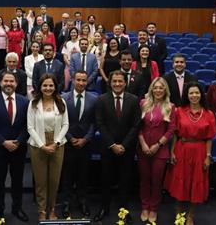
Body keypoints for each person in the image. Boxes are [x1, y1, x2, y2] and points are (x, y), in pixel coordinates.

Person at [164, 82, 216, 225]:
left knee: (195, 184)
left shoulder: (208, 114)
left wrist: (208, 156)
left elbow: (209, 137)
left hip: (199, 151)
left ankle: (190, 215)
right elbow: (175, 134)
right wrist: (172, 152)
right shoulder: (179, 111)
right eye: (191, 93)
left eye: (197, 93)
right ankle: (179, 212)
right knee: (181, 183)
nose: (194, 95)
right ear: (187, 95)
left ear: (201, 94)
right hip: (182, 148)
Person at [93, 70, 141, 222]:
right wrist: (113, 145)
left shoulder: (133, 100)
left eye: (120, 81)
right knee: (105, 179)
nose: (117, 84)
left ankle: (124, 209)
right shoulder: (101, 99)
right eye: (114, 81)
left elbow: (136, 125)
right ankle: (104, 207)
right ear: (110, 83)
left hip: (127, 148)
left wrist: (124, 145)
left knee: (125, 180)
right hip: (108, 147)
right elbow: (100, 124)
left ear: (125, 83)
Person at [0, 71, 30, 223]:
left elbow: (28, 125)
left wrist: (18, 141)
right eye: (6, 81)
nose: (9, 84)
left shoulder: (25, 101)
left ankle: (17, 208)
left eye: (12, 81)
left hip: (19, 149)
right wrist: (3, 142)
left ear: (16, 84)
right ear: (0, 83)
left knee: (18, 181)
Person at [27, 73, 69, 221]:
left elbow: (65, 125)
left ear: (55, 87)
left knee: (54, 180)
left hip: (57, 144)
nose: (48, 88)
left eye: (51, 85)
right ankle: (42, 211)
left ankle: (52, 209)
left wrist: (56, 143)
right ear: (40, 87)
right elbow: (30, 128)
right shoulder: (33, 103)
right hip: (38, 145)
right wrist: (42, 146)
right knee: (41, 181)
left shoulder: (61, 101)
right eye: (45, 85)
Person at [138, 77, 176, 223]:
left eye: (161, 87)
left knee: (156, 180)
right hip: (143, 148)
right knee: (144, 179)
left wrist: (158, 145)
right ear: (151, 89)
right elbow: (138, 126)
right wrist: (143, 144)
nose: (158, 90)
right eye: (155, 87)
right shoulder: (143, 103)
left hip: (160, 150)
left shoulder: (170, 107)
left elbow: (171, 130)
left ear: (165, 89)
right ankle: (144, 206)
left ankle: (153, 208)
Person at [61, 71, 96, 218]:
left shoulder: (94, 99)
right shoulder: (63, 98)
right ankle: (66, 203)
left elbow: (95, 122)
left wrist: (86, 138)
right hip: (68, 143)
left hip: (85, 144)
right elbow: (60, 120)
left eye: (84, 80)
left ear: (87, 82)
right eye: (78, 80)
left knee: (83, 175)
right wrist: (70, 137)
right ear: (73, 81)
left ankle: (82, 201)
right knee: (67, 175)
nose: (81, 83)